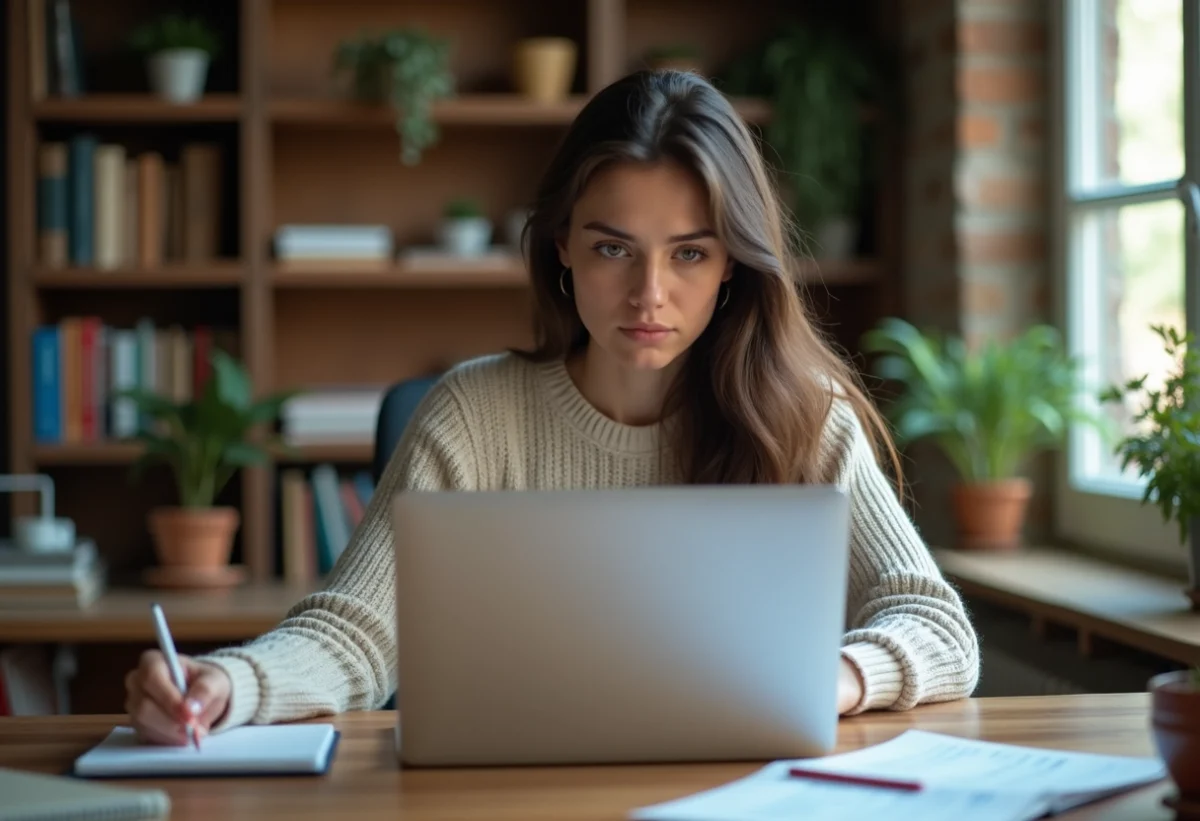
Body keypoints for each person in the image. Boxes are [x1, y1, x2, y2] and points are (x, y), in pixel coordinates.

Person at [123, 69, 980, 746]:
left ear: (733, 268)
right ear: (562, 244)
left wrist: (833, 675)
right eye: (614, 248)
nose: (650, 293)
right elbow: (357, 634)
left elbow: (938, 625)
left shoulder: (806, 417)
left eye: (689, 252)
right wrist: (234, 683)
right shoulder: (471, 413)